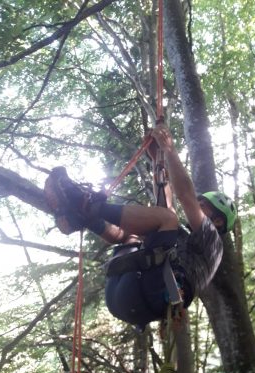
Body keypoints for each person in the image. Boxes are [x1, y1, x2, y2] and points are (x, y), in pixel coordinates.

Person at [44, 124, 236, 331]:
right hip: (128, 295)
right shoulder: (183, 238)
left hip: (153, 292)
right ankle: (86, 218)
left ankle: (84, 206)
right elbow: (165, 202)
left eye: (203, 205)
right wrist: (156, 161)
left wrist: (169, 150)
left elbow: (185, 196)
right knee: (134, 234)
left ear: (217, 221)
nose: (197, 206)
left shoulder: (212, 242)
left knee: (166, 218)